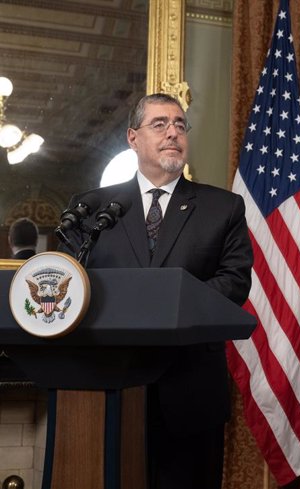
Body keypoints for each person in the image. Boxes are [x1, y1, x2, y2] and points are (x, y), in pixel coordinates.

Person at [59, 93, 253, 489]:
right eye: (160, 124)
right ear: (133, 138)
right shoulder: (91, 208)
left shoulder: (224, 208)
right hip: (108, 388)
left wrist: (164, 304)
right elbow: (70, 283)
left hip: (191, 392)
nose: (173, 133)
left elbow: (234, 282)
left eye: (180, 125)